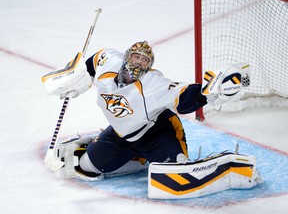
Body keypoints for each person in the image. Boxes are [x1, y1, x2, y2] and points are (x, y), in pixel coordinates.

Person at [42, 41, 247, 181]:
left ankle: (155, 156)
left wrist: (206, 93)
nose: (139, 62)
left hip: (158, 133)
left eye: (144, 60)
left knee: (173, 176)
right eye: (136, 57)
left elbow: (183, 96)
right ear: (126, 57)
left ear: (149, 65)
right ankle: (137, 158)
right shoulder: (108, 63)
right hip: (121, 136)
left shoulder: (153, 83)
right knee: (88, 167)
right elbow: (95, 60)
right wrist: (78, 78)